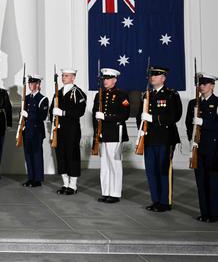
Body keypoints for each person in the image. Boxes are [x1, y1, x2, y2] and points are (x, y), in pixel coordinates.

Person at [139, 66, 182, 212]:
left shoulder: (171, 94)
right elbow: (141, 115)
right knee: (151, 171)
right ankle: (156, 200)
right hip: (149, 138)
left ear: (163, 78)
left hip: (165, 138)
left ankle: (165, 202)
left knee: (164, 170)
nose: (152, 78)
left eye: (156, 75)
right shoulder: (146, 94)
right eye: (151, 75)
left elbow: (174, 116)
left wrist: (153, 118)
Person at [92, 68, 130, 204]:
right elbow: (94, 115)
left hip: (115, 133)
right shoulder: (99, 95)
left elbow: (124, 115)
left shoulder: (122, 95)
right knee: (105, 165)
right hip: (103, 134)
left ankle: (115, 193)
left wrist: (106, 117)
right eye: (104, 79)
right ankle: (105, 191)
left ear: (115, 80)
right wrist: (96, 133)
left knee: (115, 164)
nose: (105, 81)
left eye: (108, 79)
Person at [185, 73, 218, 222]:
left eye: (205, 84)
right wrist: (192, 140)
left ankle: (214, 214)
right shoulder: (193, 103)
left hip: (213, 148)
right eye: (200, 84)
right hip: (198, 147)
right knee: (200, 182)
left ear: (212, 85)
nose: (202, 87)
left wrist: (203, 123)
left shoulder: (217, 103)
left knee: (213, 182)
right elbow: (188, 124)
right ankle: (204, 213)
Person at [50, 68, 86, 195]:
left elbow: (80, 111)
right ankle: (65, 183)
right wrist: (53, 121)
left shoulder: (78, 93)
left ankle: (73, 185)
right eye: (63, 75)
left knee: (72, 156)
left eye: (66, 76)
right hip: (59, 130)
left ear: (73, 77)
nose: (63, 77)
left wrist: (63, 113)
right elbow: (51, 111)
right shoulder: (58, 92)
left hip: (72, 130)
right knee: (61, 156)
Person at [20, 75, 49, 188]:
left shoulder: (43, 99)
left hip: (37, 131)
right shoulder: (26, 98)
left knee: (36, 155)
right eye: (30, 83)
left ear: (38, 85)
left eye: (33, 83)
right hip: (27, 130)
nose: (31, 85)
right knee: (28, 155)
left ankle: (37, 179)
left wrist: (29, 115)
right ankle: (30, 178)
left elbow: (42, 116)